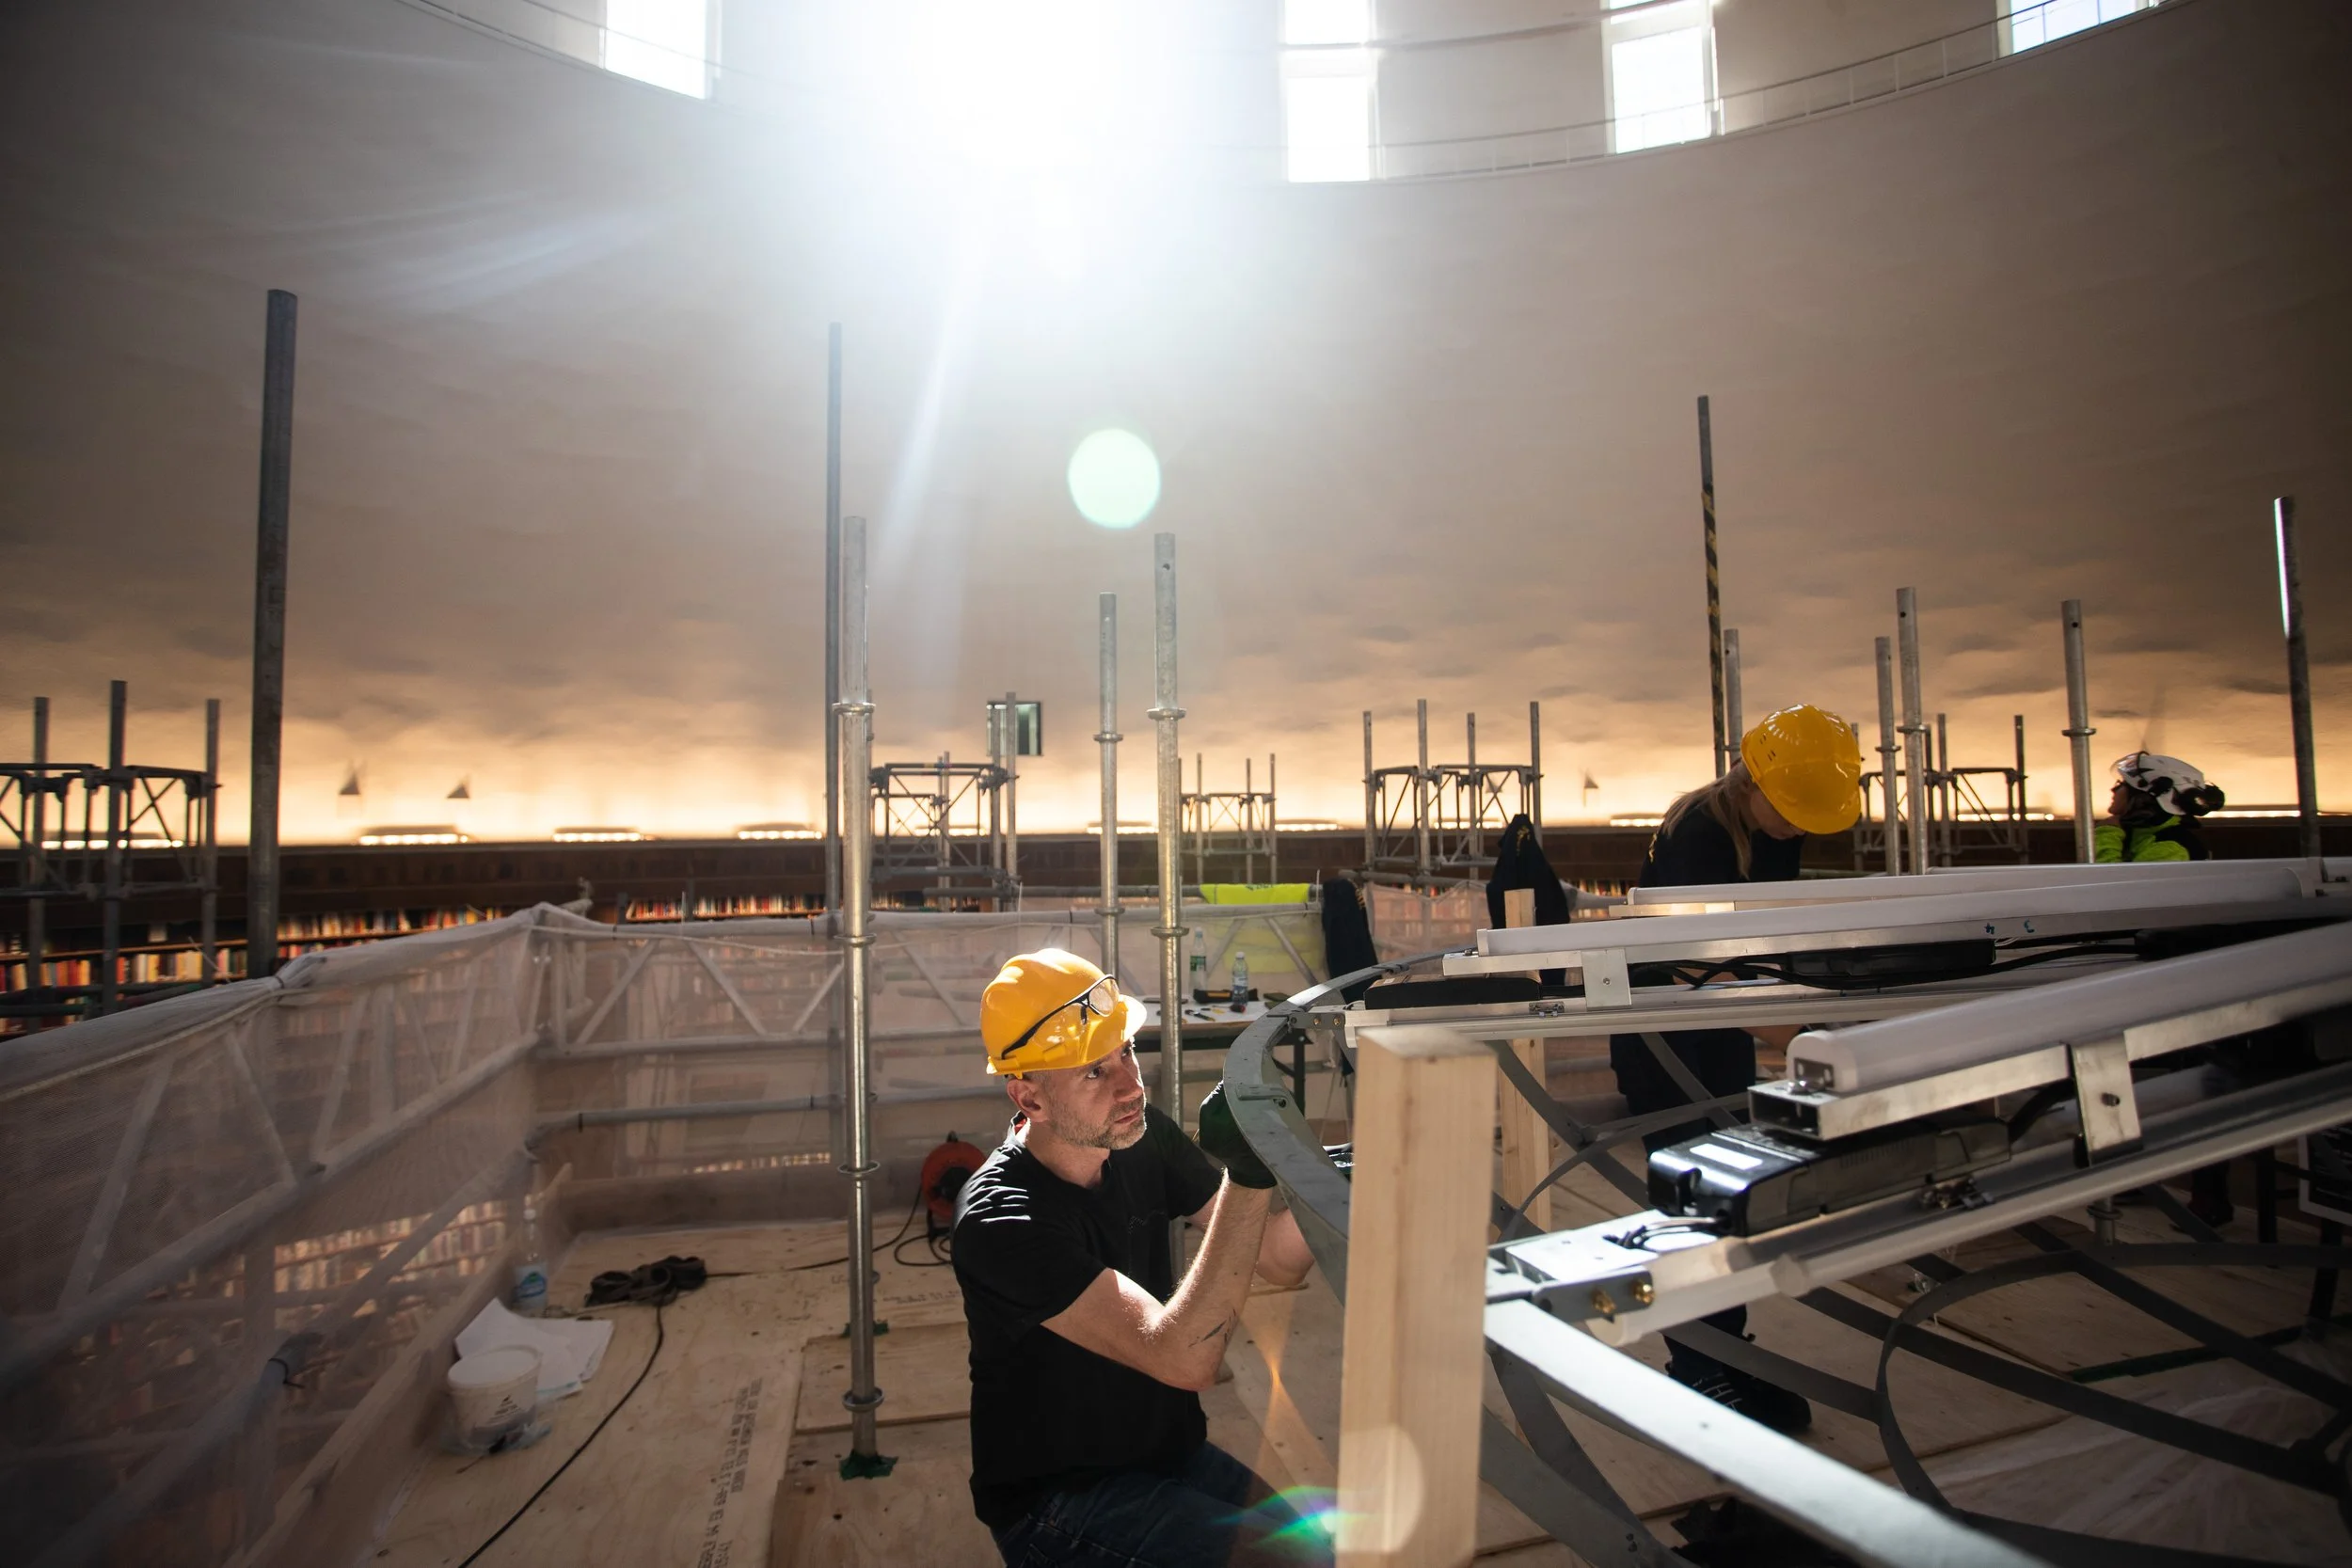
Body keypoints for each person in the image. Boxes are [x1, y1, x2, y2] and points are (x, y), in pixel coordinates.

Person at [951, 948, 1329, 1568]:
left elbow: (1280, 1261)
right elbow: (1184, 1356)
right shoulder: (1001, 1219)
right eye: (1094, 1073)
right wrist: (1248, 1178)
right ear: (1031, 1097)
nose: (1130, 1083)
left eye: (1125, 1050)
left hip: (1170, 1456)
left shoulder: (1139, 1133)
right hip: (1061, 1500)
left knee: (1318, 1554)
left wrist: (1336, 1179)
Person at [1610, 703, 1863, 1433]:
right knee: (1692, 1206)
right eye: (1786, 811)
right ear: (1752, 777)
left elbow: (1760, 940)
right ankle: (1696, 1368)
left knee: (1726, 1199)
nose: (1792, 827)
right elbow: (1692, 959)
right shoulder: (1698, 832)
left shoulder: (1766, 831)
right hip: (1667, 1035)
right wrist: (1797, 1031)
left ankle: (1725, 1357)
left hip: (1718, 1031)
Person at [2097, 752, 2224, 863]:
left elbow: (2113, 886)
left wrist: (2107, 835)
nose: (2114, 789)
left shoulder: (2170, 848)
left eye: (2123, 785)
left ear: (2144, 797)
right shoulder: (2143, 835)